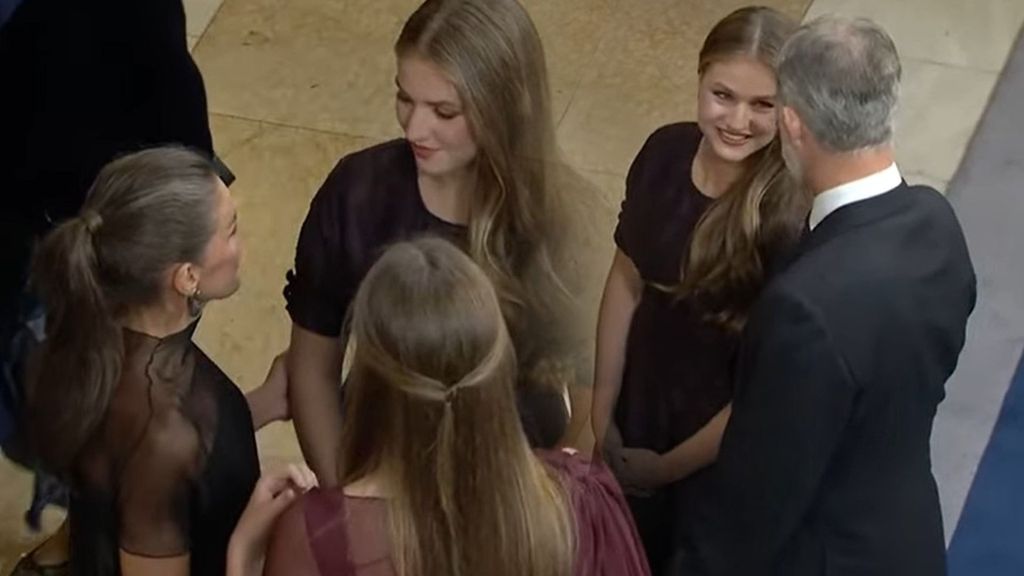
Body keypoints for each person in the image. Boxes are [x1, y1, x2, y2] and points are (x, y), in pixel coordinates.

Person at [682, 16, 977, 576]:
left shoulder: (804, 307)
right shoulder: (938, 225)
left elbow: (756, 501)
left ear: (792, 124)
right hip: (906, 537)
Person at [285, 0, 581, 488]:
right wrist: (344, 499)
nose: (414, 129)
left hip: (515, 474)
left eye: (444, 111)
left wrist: (550, 507)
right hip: (378, 459)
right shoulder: (357, 194)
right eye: (404, 98)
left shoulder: (565, 219)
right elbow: (312, 369)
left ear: (505, 108)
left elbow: (590, 403)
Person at [227, 238, 650, 576]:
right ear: (499, 367)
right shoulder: (582, 500)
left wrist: (242, 559)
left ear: (370, 385)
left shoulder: (314, 534)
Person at [587, 7, 808, 572]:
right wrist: (602, 407)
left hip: (715, 444)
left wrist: (667, 469)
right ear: (700, 79)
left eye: (763, 105)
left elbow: (763, 386)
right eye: (722, 94)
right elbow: (625, 280)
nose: (737, 120)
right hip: (638, 402)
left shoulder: (787, 219)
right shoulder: (663, 153)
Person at [24, 148, 289, 576]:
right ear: (186, 277)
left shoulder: (93, 333)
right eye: (232, 231)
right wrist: (247, 550)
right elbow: (155, 458)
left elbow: (135, 466)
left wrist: (262, 404)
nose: (241, 247)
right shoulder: (161, 434)